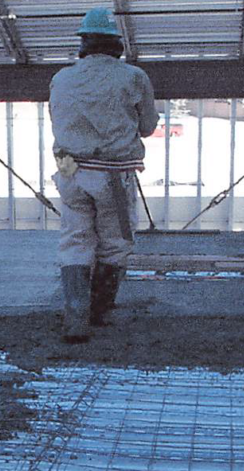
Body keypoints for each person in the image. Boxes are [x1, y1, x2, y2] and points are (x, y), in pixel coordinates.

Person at [49, 7, 158, 342]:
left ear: (83, 42)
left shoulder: (61, 78)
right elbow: (148, 126)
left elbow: (58, 120)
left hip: (69, 172)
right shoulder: (134, 77)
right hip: (114, 177)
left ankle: (75, 314)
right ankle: (98, 310)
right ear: (116, 44)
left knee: (75, 239)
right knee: (117, 241)